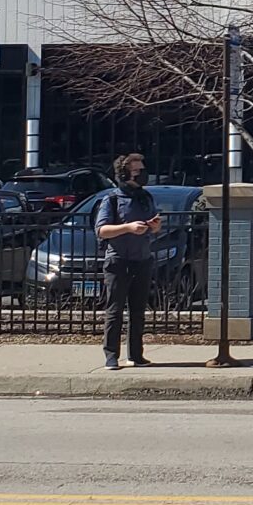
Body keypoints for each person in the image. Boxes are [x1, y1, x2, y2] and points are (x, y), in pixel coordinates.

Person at [96, 152, 161, 371]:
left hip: (142, 259)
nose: (142, 173)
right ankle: (111, 356)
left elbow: (155, 223)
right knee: (114, 310)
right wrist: (128, 227)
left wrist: (154, 226)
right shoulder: (112, 199)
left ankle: (136, 354)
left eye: (142, 168)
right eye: (137, 170)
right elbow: (102, 230)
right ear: (124, 173)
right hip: (118, 260)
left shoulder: (145, 197)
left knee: (138, 311)